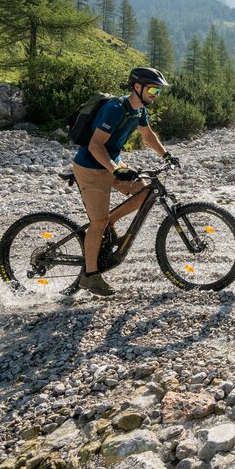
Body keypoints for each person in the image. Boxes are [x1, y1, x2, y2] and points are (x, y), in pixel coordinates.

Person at [71, 66, 179, 297]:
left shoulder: (139, 110)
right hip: (90, 166)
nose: (155, 94)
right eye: (152, 89)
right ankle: (90, 276)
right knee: (97, 223)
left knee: (144, 191)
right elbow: (95, 145)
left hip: (111, 163)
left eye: (158, 91)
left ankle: (109, 223)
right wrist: (115, 170)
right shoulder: (114, 109)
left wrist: (166, 155)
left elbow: (147, 135)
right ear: (136, 87)